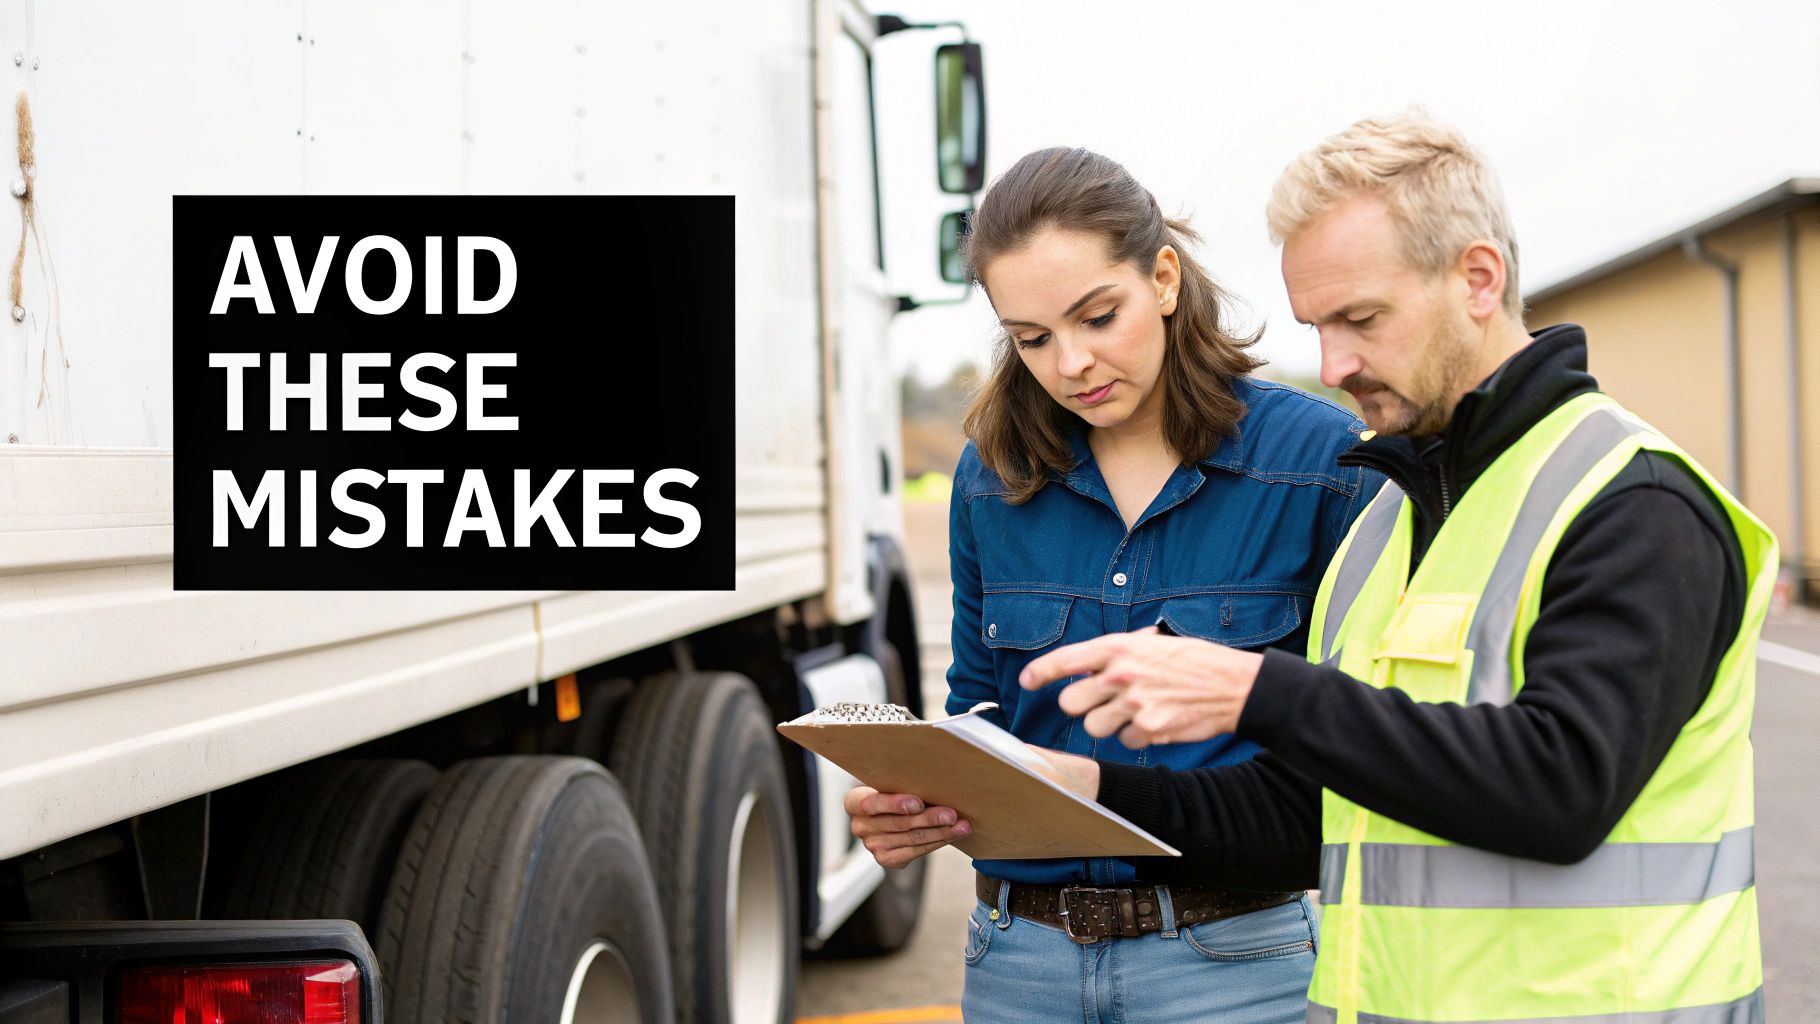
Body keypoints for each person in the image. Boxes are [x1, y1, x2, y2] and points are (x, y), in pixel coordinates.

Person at [1019, 111, 1774, 1024]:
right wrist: (1079, 791)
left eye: (1361, 319)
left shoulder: (1634, 502)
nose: (1334, 364)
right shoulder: (1387, 524)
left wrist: (1259, 692)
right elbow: (1313, 817)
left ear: (1479, 279)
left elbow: (1563, 786)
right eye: (1316, 326)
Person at [843, 146, 1382, 1024]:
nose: (1072, 364)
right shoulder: (992, 475)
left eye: (1098, 316)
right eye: (1032, 339)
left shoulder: (1323, 467)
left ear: (1163, 276)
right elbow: (981, 707)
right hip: (1019, 963)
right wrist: (923, 801)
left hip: (1237, 967)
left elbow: (1359, 755)